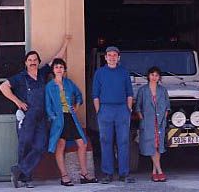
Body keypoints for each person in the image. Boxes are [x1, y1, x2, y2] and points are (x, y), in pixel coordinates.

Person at [0, 37, 70, 188]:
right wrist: (17, 102)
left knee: (41, 145)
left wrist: (65, 43)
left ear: (38, 62)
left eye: (35, 60)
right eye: (30, 60)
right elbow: (3, 87)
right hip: (27, 116)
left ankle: (19, 169)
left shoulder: (43, 72)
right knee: (25, 145)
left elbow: (56, 59)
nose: (32, 62)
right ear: (26, 63)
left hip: (42, 116)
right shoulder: (20, 77)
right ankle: (26, 178)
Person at [45, 58, 97, 186]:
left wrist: (77, 106)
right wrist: (53, 118)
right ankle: (64, 176)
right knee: (60, 146)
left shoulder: (69, 83)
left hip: (71, 118)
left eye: (61, 67)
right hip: (59, 120)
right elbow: (48, 106)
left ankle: (84, 174)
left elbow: (79, 95)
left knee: (82, 143)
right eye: (56, 67)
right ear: (53, 70)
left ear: (64, 70)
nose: (59, 69)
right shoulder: (49, 86)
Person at [92, 46, 136, 184]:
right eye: (109, 55)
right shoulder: (99, 73)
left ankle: (124, 174)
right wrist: (99, 111)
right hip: (105, 110)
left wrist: (128, 109)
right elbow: (95, 94)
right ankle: (108, 173)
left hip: (122, 110)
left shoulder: (124, 72)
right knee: (106, 142)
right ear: (105, 57)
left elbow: (129, 92)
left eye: (114, 55)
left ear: (118, 58)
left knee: (123, 142)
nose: (112, 57)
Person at [135, 66, 171, 182]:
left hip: (159, 122)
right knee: (152, 146)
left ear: (159, 77)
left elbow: (167, 106)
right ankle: (160, 171)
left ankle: (154, 172)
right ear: (148, 76)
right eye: (152, 75)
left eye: (156, 75)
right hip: (148, 123)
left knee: (157, 146)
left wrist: (164, 118)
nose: (154, 77)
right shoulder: (142, 90)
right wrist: (142, 119)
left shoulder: (163, 90)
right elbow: (138, 107)